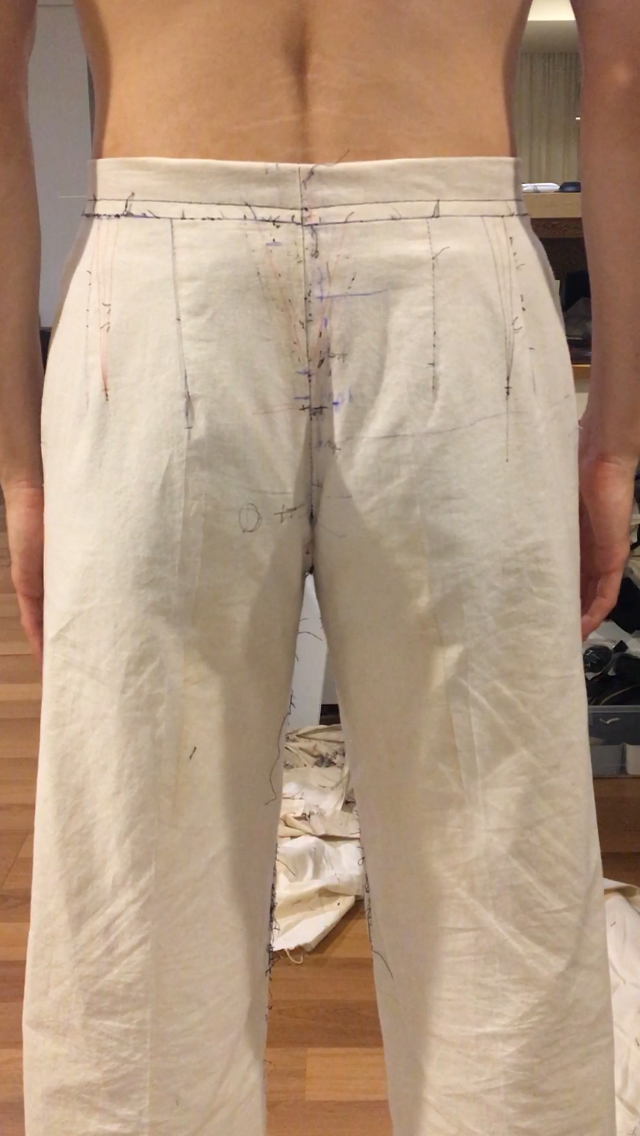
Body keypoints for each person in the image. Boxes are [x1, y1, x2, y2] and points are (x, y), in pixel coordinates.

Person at [0, 0, 637, 1132]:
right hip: (454, 272)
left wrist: (18, 464)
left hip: (161, 285)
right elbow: (625, 73)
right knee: (500, 859)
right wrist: (617, 437)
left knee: (136, 877)